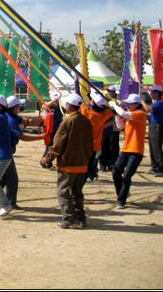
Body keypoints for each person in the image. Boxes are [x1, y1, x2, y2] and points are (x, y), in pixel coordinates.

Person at [41, 93, 93, 229]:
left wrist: (48, 157)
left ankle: (70, 217)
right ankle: (81, 217)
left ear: (68, 106)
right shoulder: (85, 121)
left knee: (63, 191)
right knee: (77, 193)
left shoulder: (68, 121)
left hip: (68, 163)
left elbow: (58, 143)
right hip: (82, 163)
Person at [109, 93, 147, 208]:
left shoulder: (140, 114)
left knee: (126, 176)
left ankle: (121, 200)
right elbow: (120, 126)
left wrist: (115, 106)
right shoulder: (130, 115)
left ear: (137, 104)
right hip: (126, 149)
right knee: (116, 172)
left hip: (136, 150)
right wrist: (116, 115)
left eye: (131, 104)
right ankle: (122, 192)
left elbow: (124, 113)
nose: (128, 105)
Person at [80, 89, 113, 182]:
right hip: (96, 143)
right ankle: (91, 175)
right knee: (92, 160)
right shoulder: (103, 115)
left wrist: (76, 82)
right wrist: (110, 100)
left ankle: (87, 175)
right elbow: (112, 110)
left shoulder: (87, 111)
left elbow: (78, 97)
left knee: (86, 160)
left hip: (85, 142)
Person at [142, 84, 163, 177]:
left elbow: (148, 109)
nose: (151, 93)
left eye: (152, 92)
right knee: (152, 147)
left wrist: (142, 101)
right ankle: (154, 166)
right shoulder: (155, 103)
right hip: (152, 126)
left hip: (157, 127)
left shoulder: (159, 102)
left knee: (157, 148)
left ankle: (160, 169)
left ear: (157, 93)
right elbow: (149, 115)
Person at [100, 85, 121, 172]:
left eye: (111, 92)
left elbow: (118, 112)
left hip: (114, 125)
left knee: (114, 144)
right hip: (106, 127)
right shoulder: (105, 103)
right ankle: (104, 164)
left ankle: (114, 161)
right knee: (105, 146)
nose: (109, 93)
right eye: (108, 91)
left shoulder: (117, 101)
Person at [41, 93, 63, 169]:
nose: (56, 102)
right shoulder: (50, 107)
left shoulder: (61, 108)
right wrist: (53, 100)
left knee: (54, 146)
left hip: (57, 129)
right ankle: (46, 162)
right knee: (49, 146)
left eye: (57, 100)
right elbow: (44, 106)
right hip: (50, 129)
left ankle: (45, 161)